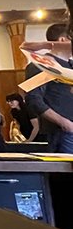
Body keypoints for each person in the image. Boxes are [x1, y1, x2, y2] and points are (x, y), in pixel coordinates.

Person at [25, 23, 73, 153]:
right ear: (62, 40)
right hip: (63, 132)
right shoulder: (43, 65)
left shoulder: (70, 65)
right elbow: (33, 99)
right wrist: (65, 123)